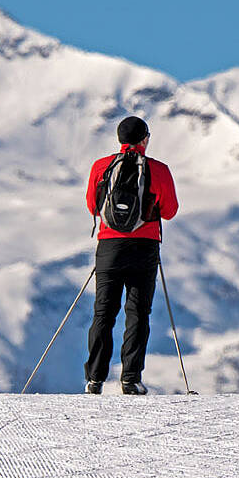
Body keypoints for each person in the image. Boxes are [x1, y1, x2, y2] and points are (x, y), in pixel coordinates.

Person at [83, 116, 179, 395]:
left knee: (103, 313)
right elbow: (170, 211)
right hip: (144, 247)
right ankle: (130, 379)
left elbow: (92, 205)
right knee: (138, 313)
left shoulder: (101, 167)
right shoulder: (158, 170)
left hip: (109, 247)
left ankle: (95, 379)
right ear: (145, 139)